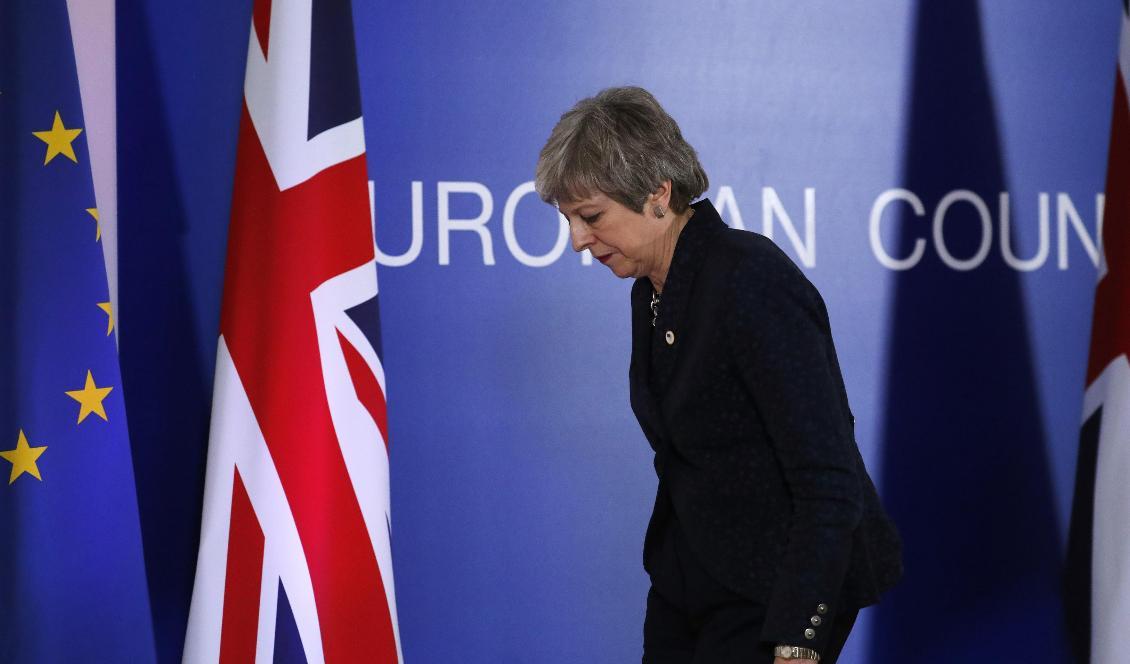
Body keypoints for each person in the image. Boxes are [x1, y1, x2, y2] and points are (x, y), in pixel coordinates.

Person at [534, 86, 903, 664]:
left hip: (775, 589)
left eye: (591, 217)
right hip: (689, 583)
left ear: (658, 194)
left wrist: (797, 637)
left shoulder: (748, 277)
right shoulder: (650, 291)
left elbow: (827, 474)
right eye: (570, 220)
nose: (578, 241)